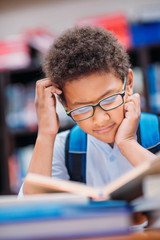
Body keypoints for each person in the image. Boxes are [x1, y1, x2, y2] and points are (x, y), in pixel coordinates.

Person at [21, 26, 156, 195]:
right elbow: (32, 214)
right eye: (82, 108)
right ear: (66, 106)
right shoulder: (63, 148)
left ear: (128, 83)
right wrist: (45, 134)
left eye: (108, 100)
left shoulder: (156, 132)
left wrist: (127, 143)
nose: (100, 119)